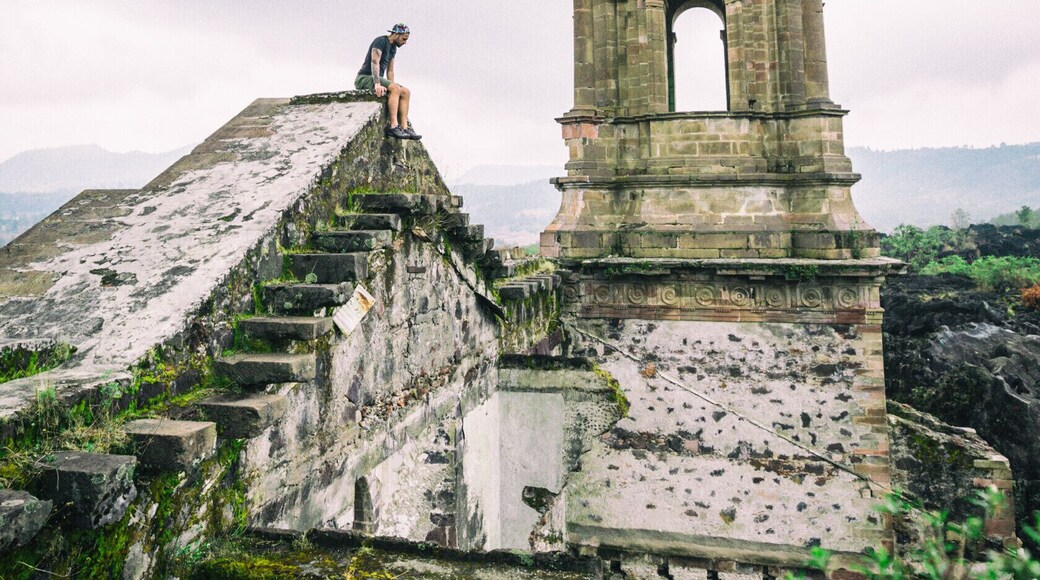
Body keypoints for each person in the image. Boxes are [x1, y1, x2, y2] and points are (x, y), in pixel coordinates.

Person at [355, 23, 421, 140]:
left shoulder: (393, 48)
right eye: (404, 39)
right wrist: (377, 84)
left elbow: (390, 70)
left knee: (405, 92)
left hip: (378, 79)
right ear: (396, 34)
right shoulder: (380, 41)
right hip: (365, 78)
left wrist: (392, 87)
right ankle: (393, 126)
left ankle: (404, 128)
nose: (405, 42)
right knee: (395, 88)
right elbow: (375, 62)